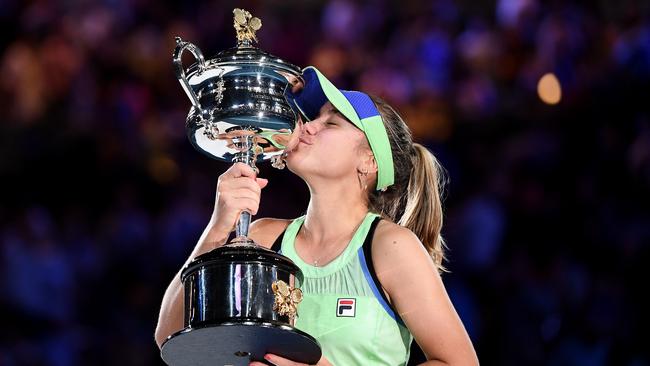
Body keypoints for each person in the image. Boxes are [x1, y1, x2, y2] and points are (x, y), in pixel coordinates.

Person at [155, 66, 479, 365]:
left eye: (331, 123)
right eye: (313, 118)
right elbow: (170, 335)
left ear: (369, 161)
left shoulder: (390, 246)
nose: (306, 126)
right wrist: (219, 226)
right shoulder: (263, 237)